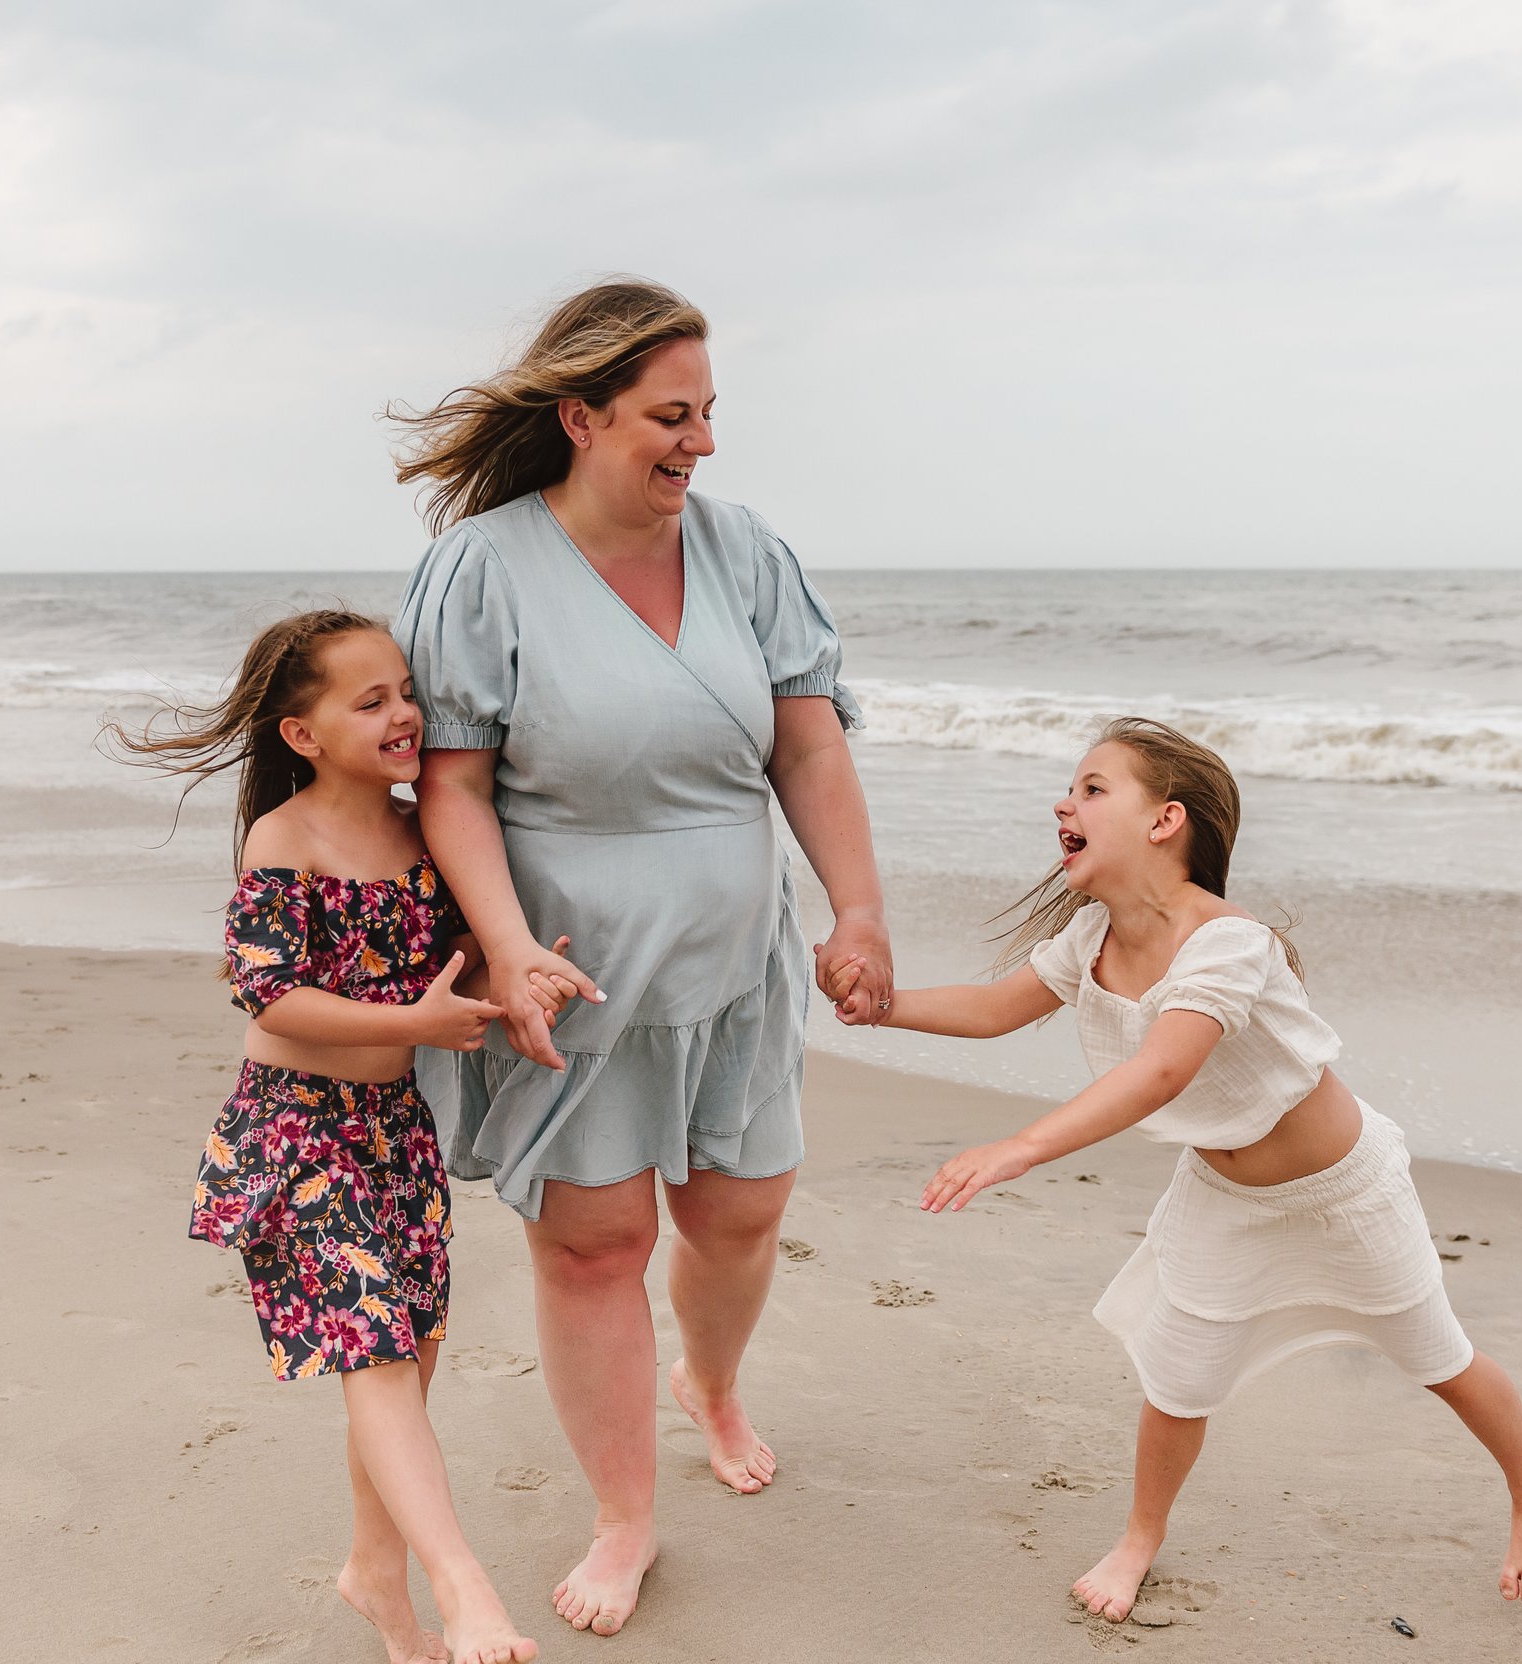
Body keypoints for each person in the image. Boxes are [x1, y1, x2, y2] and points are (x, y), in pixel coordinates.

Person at [389, 279, 891, 1637]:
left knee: (738, 1214)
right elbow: (453, 789)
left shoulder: (747, 553)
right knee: (598, 1247)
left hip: (732, 957)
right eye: (672, 417)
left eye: (711, 414)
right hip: (571, 965)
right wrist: (505, 953)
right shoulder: (484, 568)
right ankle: (625, 1518)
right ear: (582, 416)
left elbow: (808, 745)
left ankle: (711, 1385)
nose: (702, 445)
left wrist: (857, 911)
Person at [829, 716, 1522, 1621]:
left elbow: (1164, 1069)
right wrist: (882, 1008)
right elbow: (992, 1008)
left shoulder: (1229, 941)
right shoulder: (1090, 941)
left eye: (1094, 788)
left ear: (1165, 820)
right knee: (1177, 1377)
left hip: (1344, 1193)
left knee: (1435, 1353)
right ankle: (1141, 1537)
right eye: (1072, 789)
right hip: (1224, 1195)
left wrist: (1019, 1146)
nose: (1066, 802)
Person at [107, 610, 535, 1664]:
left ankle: (373, 1574)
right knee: (379, 1363)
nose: (403, 713)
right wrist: (416, 1025)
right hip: (295, 1133)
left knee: (406, 1363)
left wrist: (510, 982)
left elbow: (451, 976)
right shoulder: (284, 838)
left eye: (404, 689)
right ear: (302, 733)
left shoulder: (421, 830)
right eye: (370, 698)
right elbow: (273, 997)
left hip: (395, 1133)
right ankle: (463, 1587)